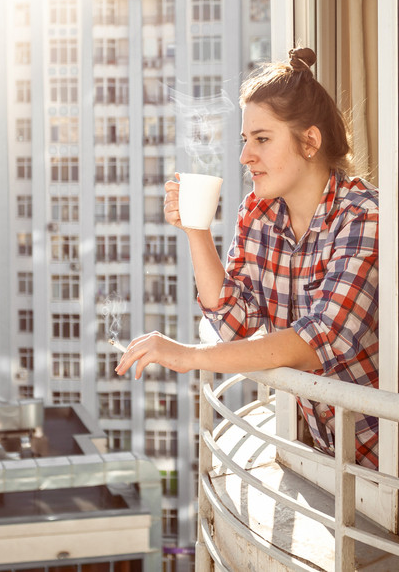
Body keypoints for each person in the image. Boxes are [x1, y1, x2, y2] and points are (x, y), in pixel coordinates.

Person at [116, 47, 379, 469]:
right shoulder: (259, 213)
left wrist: (187, 356)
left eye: (261, 139)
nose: (244, 157)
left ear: (310, 141)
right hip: (317, 457)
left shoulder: (362, 217)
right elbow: (237, 326)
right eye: (245, 141)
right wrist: (196, 230)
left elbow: (317, 343)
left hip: (387, 467)